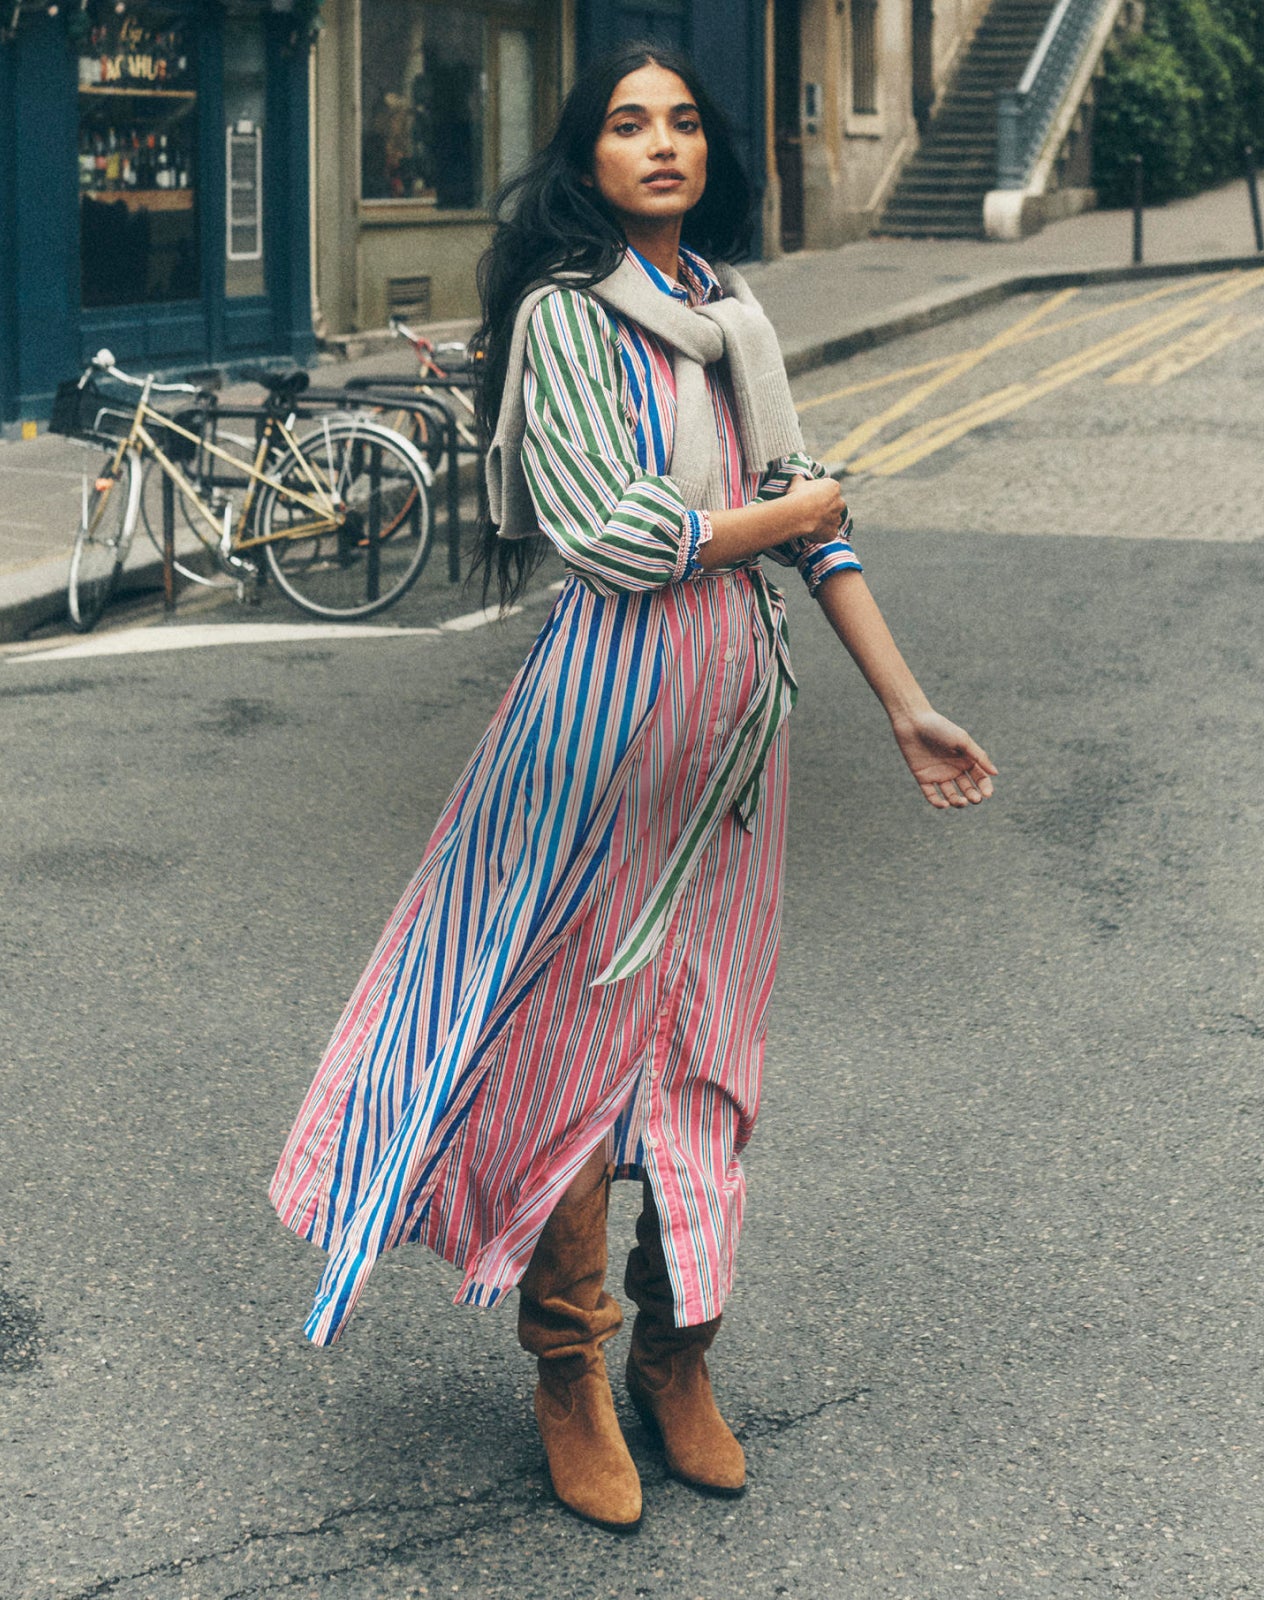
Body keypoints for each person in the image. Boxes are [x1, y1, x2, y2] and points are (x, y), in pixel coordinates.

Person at [270, 42, 996, 1534]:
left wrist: (909, 703)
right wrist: (794, 506)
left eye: (679, 122)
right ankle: (570, 1368)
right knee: (569, 1058)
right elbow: (617, 534)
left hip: (735, 754)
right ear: (584, 158)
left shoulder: (737, 315)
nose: (657, 144)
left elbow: (819, 535)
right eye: (623, 123)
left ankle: (683, 1353)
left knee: (710, 1053)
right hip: (599, 737)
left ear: (708, 154)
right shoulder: (562, 322)